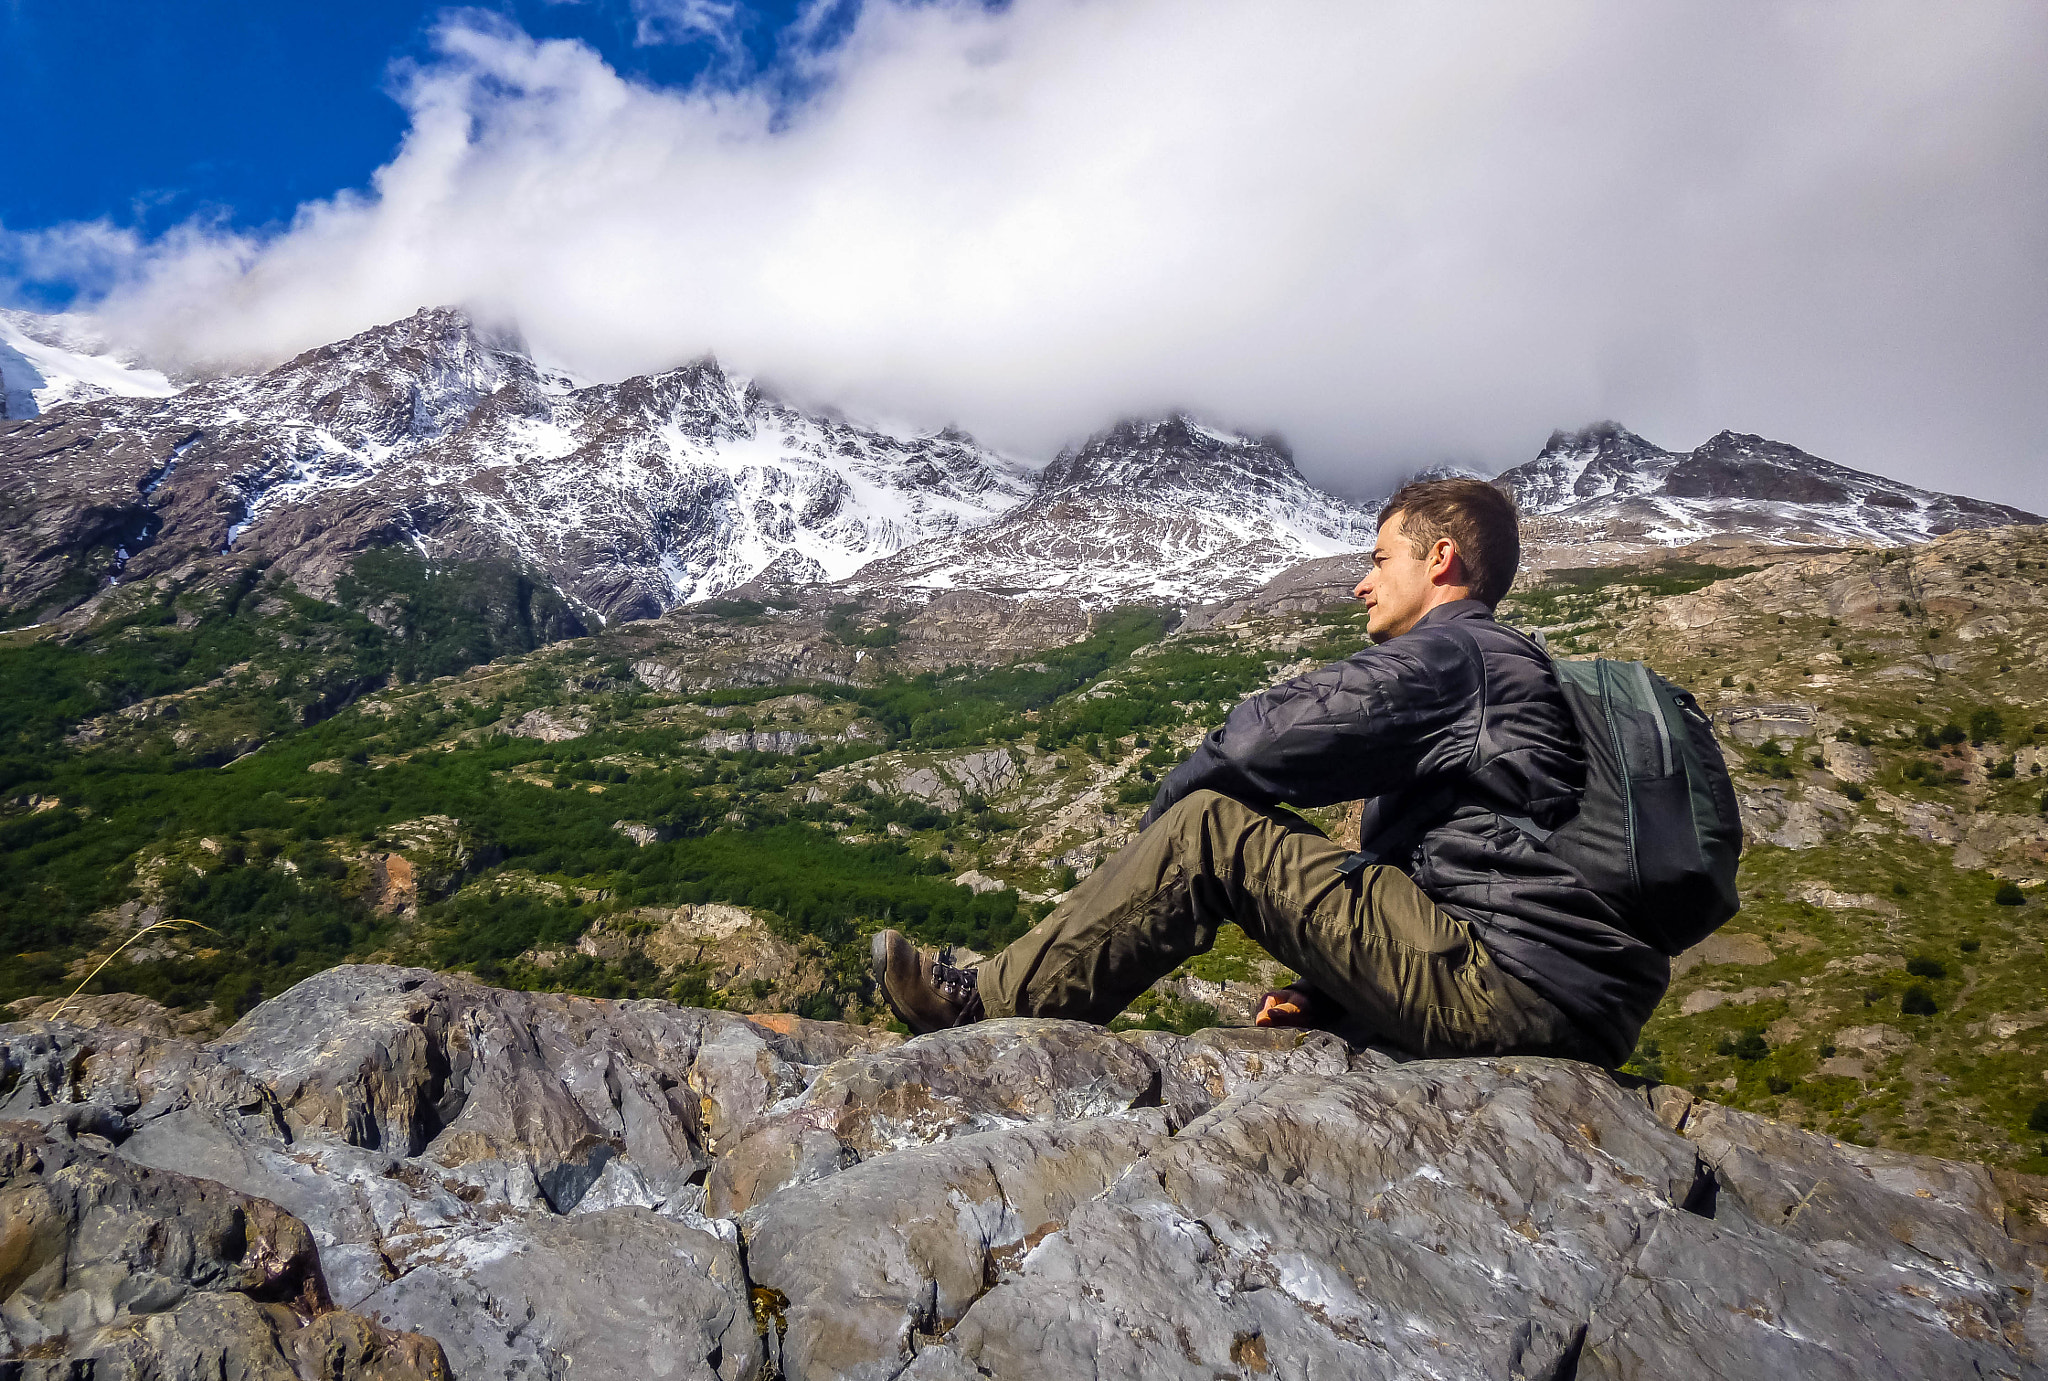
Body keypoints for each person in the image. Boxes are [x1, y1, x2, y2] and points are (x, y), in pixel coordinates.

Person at [870, 478, 1668, 1068]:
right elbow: (1445, 874)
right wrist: (1322, 993)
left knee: (1208, 829)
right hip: (1564, 998)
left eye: (1382, 558)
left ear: (1442, 560)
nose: (1364, 581)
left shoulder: (1460, 653)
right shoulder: (1508, 666)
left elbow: (1267, 739)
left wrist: (1169, 823)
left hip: (1511, 986)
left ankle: (984, 1009)